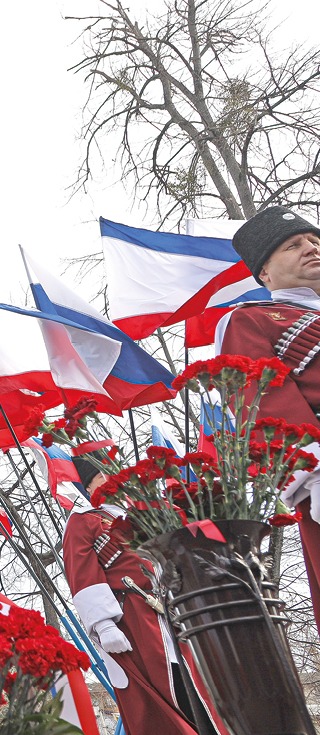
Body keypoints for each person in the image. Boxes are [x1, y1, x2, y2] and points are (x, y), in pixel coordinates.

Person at [218, 206, 320, 631]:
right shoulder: (250, 320)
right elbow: (260, 400)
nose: (311, 248)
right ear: (264, 273)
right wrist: (312, 472)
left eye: (314, 240)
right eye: (293, 245)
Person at [62, 457, 200, 735]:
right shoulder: (83, 521)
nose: (111, 479)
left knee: (197, 689)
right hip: (133, 616)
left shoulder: (146, 514)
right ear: (89, 487)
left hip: (173, 612)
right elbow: (82, 574)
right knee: (160, 696)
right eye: (102, 475)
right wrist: (104, 624)